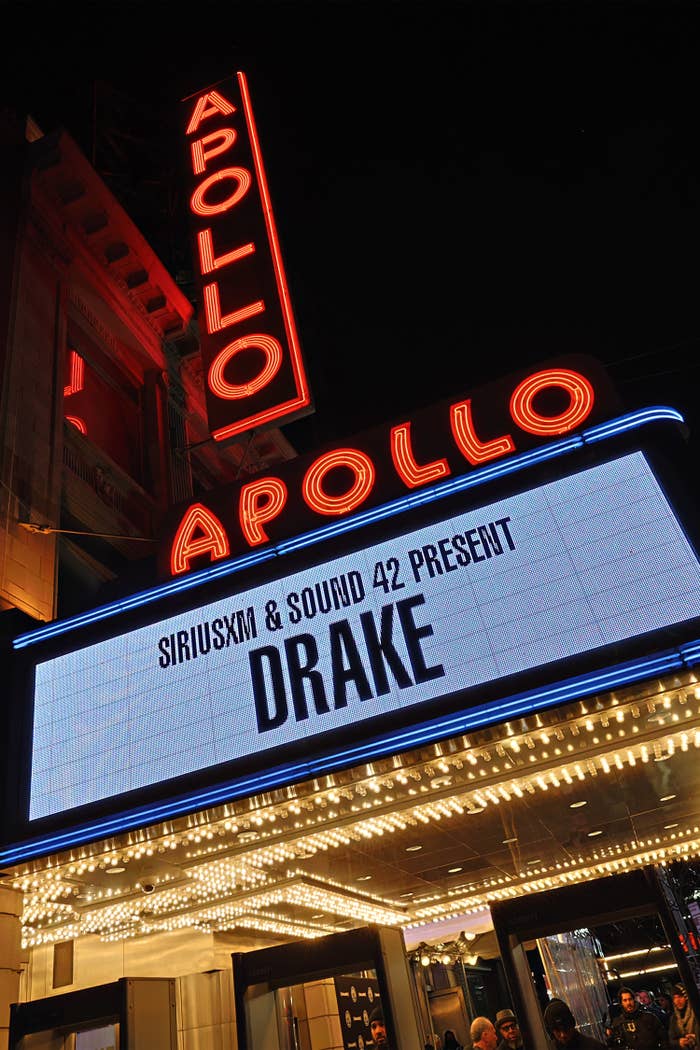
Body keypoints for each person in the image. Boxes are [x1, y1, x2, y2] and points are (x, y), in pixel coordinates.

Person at [668, 983, 699, 1050]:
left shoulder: (697, 1013)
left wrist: (696, 1038)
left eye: (680, 997)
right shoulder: (674, 1018)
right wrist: (679, 1042)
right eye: (674, 998)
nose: (677, 1001)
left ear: (686, 997)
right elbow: (671, 1039)